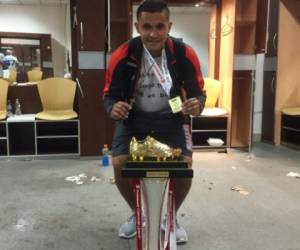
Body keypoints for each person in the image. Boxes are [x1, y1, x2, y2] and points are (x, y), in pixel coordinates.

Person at [103, 0, 206, 244]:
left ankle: (170, 218)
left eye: (160, 26)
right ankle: (136, 213)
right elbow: (109, 95)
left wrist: (197, 104)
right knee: (118, 162)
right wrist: (113, 108)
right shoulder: (122, 54)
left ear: (169, 25)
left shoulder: (184, 53)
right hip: (134, 119)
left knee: (185, 165)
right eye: (146, 26)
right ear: (137, 26)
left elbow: (198, 93)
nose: (153, 33)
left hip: (172, 119)